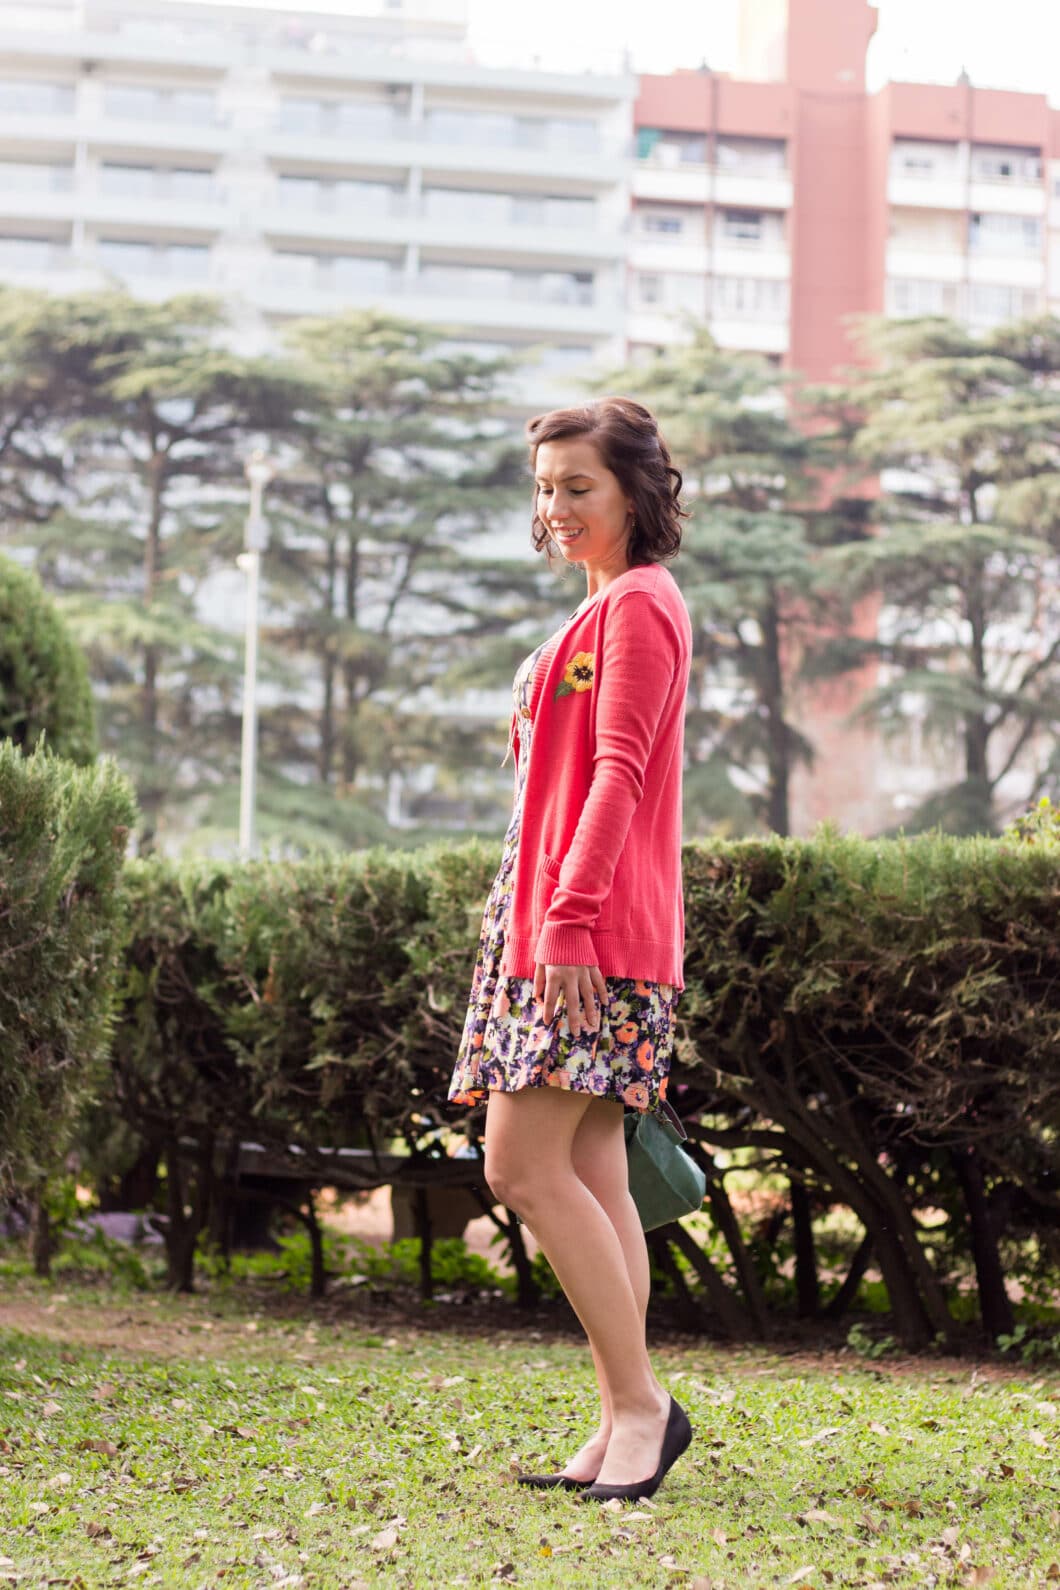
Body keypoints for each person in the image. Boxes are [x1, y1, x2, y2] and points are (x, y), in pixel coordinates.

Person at [447, 395, 694, 1504]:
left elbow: (617, 777)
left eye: (577, 487)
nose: (555, 509)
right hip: (560, 925)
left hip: (584, 933)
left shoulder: (639, 608)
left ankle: (641, 1407)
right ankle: (622, 1416)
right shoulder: (596, 613)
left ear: (637, 493)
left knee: (522, 1166)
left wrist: (564, 919)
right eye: (543, 488)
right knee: (590, 1171)